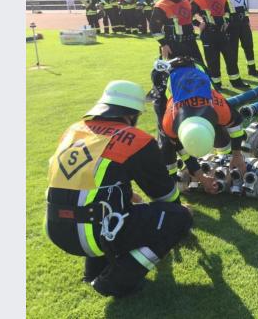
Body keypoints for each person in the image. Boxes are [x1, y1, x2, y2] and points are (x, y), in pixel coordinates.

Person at [44, 80, 192, 297]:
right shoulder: (136, 140)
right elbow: (164, 194)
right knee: (179, 217)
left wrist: (125, 194)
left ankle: (94, 269)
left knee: (107, 214)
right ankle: (116, 282)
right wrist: (179, 217)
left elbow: (85, 178)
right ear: (132, 115)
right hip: (94, 232)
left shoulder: (73, 130)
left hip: (56, 228)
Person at [152, 58, 248, 186]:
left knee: (221, 127)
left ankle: (224, 156)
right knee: (166, 144)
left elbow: (236, 123)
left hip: (195, 68)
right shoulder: (169, 123)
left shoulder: (219, 107)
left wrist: (237, 155)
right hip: (163, 75)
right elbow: (180, 148)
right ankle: (171, 178)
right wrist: (199, 175)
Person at [191, 0, 237, 90]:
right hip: (208, 34)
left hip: (222, 33)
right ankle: (216, 84)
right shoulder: (197, 0)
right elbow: (188, 16)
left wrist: (226, 21)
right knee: (212, 61)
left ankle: (236, 81)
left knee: (230, 57)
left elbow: (228, 11)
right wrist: (198, 23)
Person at [150, 0, 205, 65]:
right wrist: (164, 44)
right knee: (176, 75)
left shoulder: (186, 2)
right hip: (172, 46)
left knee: (199, 70)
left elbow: (189, 19)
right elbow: (154, 28)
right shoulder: (161, 6)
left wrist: (199, 24)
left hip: (191, 43)